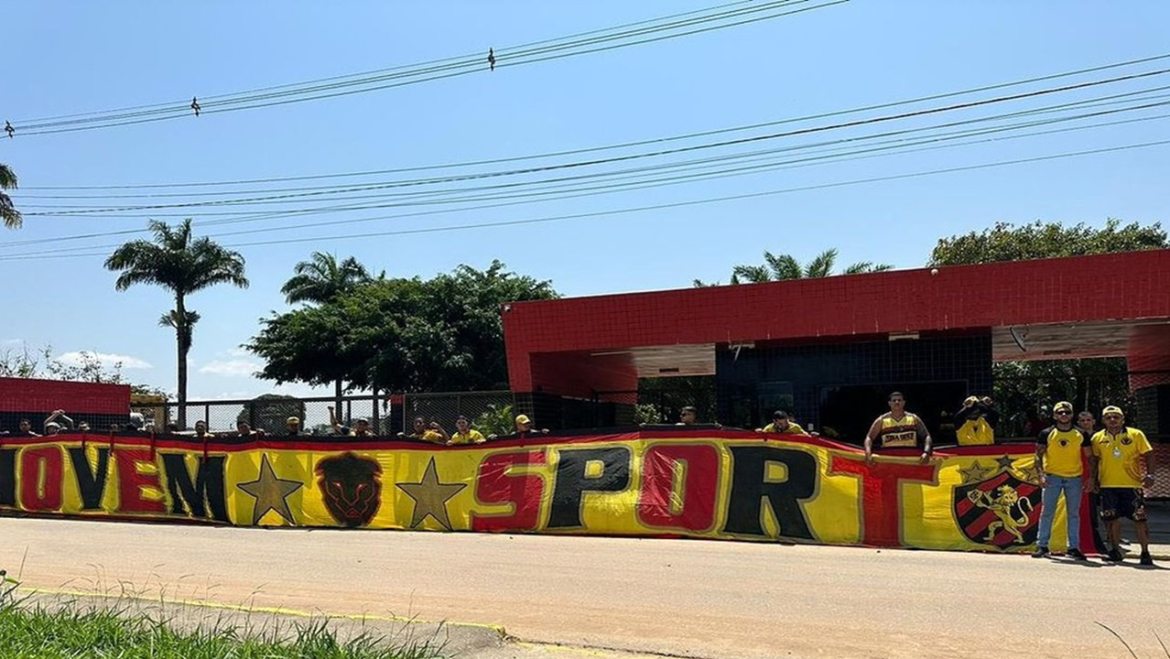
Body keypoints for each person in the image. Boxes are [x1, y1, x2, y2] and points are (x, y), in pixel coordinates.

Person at [1089, 405, 1157, 566]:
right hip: (1108, 485)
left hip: (1131, 485)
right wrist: (1094, 479)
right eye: (1108, 417)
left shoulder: (1136, 434)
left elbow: (1149, 454)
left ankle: (1145, 552)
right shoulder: (1097, 438)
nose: (1113, 420)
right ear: (1103, 420)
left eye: (1116, 417)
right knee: (1112, 519)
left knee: (1139, 519)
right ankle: (1114, 550)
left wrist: (1150, 475)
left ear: (1122, 419)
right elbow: (1094, 461)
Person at [1032, 401, 1090, 560]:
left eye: (1066, 412)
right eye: (1060, 412)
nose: (1063, 415)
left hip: (1074, 478)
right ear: (1054, 415)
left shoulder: (1081, 433)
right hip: (1052, 477)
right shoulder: (1046, 433)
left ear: (1072, 414)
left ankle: (1073, 547)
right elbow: (1038, 455)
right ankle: (1042, 545)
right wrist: (1041, 475)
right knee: (1047, 512)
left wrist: (1090, 477)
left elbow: (1090, 457)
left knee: (1073, 514)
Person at [865, 392, 932, 465]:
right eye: (894, 400)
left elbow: (927, 436)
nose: (897, 402)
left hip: (910, 460)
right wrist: (868, 453)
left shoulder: (914, 418)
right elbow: (869, 438)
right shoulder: (881, 420)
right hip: (889, 461)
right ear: (889, 403)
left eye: (899, 400)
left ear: (904, 403)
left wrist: (926, 452)